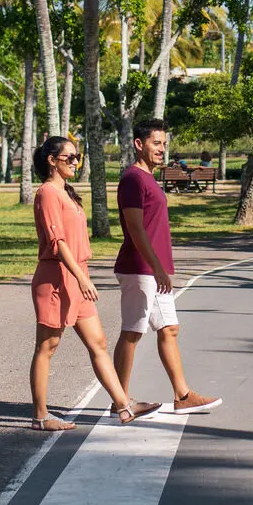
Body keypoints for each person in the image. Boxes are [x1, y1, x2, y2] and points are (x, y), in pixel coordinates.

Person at [30, 135, 162, 431]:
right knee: (47, 346)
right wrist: (80, 277)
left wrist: (82, 277)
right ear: (52, 161)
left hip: (78, 276)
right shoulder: (48, 193)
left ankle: (124, 406)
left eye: (77, 156)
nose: (75, 162)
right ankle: (41, 416)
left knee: (99, 343)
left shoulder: (66, 193)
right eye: (69, 157)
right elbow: (58, 241)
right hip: (56, 278)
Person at [112, 119, 222, 415]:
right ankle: (120, 401)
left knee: (170, 329)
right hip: (140, 267)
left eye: (164, 144)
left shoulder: (148, 178)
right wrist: (157, 267)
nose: (162, 149)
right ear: (139, 144)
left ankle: (183, 395)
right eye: (155, 143)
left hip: (152, 268)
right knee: (132, 333)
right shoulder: (133, 179)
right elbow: (135, 229)